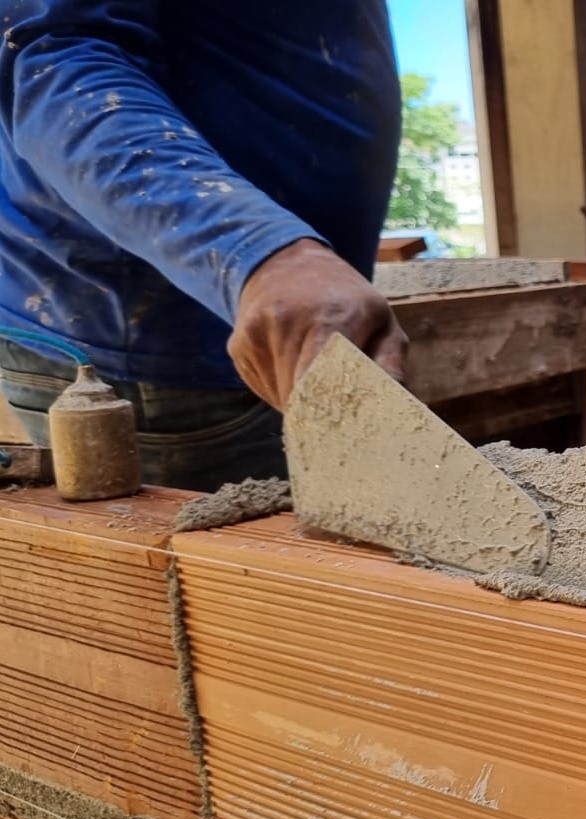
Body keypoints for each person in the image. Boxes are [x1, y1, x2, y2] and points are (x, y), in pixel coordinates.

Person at [0, 2, 409, 491]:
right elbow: (54, 61)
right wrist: (258, 253)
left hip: (261, 313)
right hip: (160, 357)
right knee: (232, 546)